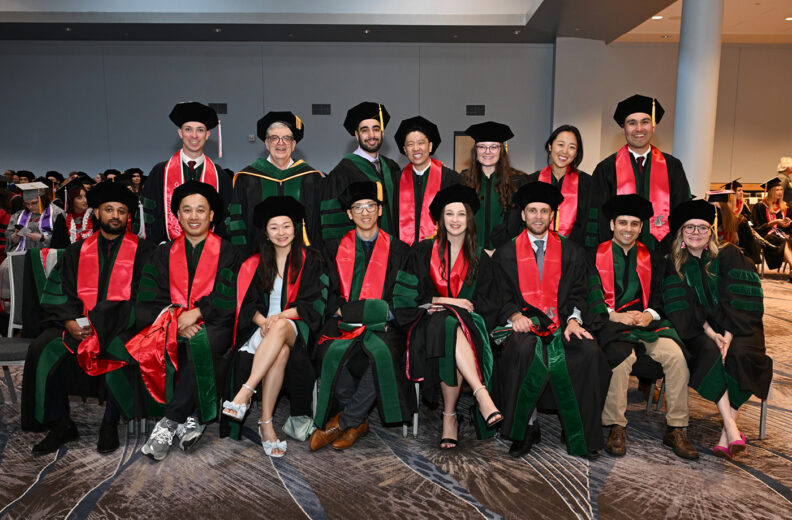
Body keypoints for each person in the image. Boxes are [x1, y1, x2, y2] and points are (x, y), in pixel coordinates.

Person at [20, 181, 155, 454]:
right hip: (78, 324)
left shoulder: (144, 252)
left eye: (121, 211)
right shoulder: (77, 251)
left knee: (119, 347)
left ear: (129, 216)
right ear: (97, 214)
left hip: (121, 325)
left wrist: (103, 323)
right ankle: (60, 423)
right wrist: (70, 320)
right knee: (42, 348)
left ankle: (109, 422)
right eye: (109, 210)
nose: (115, 216)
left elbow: (147, 297)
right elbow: (60, 291)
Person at [489, 182, 610, 458]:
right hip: (525, 327)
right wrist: (514, 314)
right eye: (532, 211)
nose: (539, 216)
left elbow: (580, 292)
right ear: (523, 215)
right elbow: (499, 293)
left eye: (544, 211)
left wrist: (575, 320)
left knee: (589, 351)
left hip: (562, 325)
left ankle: (576, 429)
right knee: (521, 350)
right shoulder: (506, 253)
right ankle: (526, 427)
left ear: (552, 215)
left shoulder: (571, 251)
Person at [132, 181, 241, 461]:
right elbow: (148, 297)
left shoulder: (228, 252)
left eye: (201, 210)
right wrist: (179, 317)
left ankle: (170, 421)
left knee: (200, 343)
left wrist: (199, 313)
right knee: (171, 344)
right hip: (171, 321)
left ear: (212, 215)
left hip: (216, 322)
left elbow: (229, 297)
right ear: (177, 216)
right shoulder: (162, 253)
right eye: (187, 210)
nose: (194, 216)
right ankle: (193, 415)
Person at [310, 181, 416, 451]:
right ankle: (357, 421)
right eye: (358, 208)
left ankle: (345, 421)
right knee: (328, 351)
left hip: (385, 323)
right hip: (342, 320)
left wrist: (370, 313)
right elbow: (326, 292)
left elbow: (403, 297)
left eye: (371, 206)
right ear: (349, 214)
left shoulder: (400, 250)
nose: (365, 212)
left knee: (382, 355)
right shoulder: (333, 248)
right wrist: (342, 310)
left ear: (380, 210)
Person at [662, 199, 772, 458]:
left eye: (702, 227)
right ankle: (732, 427)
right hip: (699, 329)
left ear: (710, 232)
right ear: (680, 233)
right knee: (708, 353)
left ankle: (727, 433)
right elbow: (679, 306)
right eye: (689, 228)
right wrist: (712, 333)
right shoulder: (674, 265)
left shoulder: (729, 254)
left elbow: (744, 296)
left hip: (741, 325)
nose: (696, 233)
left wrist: (730, 334)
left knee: (742, 354)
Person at [221, 196, 326, 457]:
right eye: (274, 227)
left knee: (281, 328)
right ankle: (266, 424)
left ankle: (244, 394)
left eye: (287, 225)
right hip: (265, 330)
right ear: (266, 233)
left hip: (298, 329)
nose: (282, 232)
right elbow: (246, 306)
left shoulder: (312, 260)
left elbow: (317, 301)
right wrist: (263, 322)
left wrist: (280, 317)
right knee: (279, 351)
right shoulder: (254, 264)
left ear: (296, 228)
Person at [594, 194, 697, 459]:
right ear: (612, 225)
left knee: (675, 357)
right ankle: (616, 425)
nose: (628, 229)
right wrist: (613, 315)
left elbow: (660, 296)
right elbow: (587, 293)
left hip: (645, 325)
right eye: (623, 223)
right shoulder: (593, 255)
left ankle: (676, 427)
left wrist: (650, 314)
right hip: (612, 325)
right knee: (621, 358)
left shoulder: (652, 257)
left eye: (634, 224)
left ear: (641, 228)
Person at [402, 184, 501, 448]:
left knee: (451, 325)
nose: (455, 220)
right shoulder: (423, 251)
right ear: (441, 219)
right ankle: (481, 395)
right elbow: (407, 298)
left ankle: (450, 417)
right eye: (449, 214)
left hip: (471, 329)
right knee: (446, 323)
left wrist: (455, 309)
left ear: (469, 218)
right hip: (426, 327)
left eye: (461, 214)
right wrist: (446, 300)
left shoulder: (482, 258)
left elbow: (487, 304)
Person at [587, 94, 691, 251]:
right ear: (623, 128)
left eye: (645, 122)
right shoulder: (606, 169)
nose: (639, 129)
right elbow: (598, 218)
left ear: (653, 125)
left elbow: (682, 210)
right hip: (618, 256)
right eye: (632, 123)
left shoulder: (672, 166)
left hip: (663, 253)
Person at [230, 111, 324, 252]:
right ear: (267, 143)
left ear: (293, 144)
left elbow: (319, 224)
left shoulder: (311, 178)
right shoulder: (247, 179)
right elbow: (237, 223)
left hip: (303, 260)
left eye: (286, 138)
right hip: (258, 258)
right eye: (275, 138)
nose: (281, 143)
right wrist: (242, 258)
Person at [141, 101, 231, 244]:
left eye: (200, 130)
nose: (194, 135)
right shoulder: (160, 172)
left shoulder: (220, 176)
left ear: (207, 135)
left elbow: (226, 219)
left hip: (211, 254)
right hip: (167, 253)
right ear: (180, 133)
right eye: (188, 129)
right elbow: (149, 216)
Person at [320, 102, 401, 241]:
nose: (371, 135)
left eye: (376, 129)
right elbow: (334, 222)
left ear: (382, 133)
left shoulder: (392, 167)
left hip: (394, 249)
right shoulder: (343, 171)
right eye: (365, 130)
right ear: (357, 135)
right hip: (362, 253)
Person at [391, 116, 460, 246]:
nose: (416, 148)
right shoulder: (395, 180)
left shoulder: (450, 178)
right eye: (410, 144)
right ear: (405, 150)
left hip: (439, 251)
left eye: (421, 142)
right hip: (404, 255)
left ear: (430, 146)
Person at [460, 121, 527, 252]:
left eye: (494, 147)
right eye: (482, 147)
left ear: (502, 150)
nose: (487, 152)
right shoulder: (463, 181)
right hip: (472, 254)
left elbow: (523, 223)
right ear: (476, 151)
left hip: (507, 254)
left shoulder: (518, 182)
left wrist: (504, 249)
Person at [525, 125, 591, 246]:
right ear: (550, 146)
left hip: (574, 254)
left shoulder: (588, 184)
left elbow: (588, 226)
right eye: (560, 144)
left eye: (572, 147)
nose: (564, 151)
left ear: (576, 153)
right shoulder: (531, 181)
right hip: (537, 250)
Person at [751, 177, 792, 278]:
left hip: (782, 234)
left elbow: (787, 227)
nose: (780, 192)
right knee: (781, 240)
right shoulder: (760, 206)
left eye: (781, 189)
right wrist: (774, 222)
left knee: (787, 239)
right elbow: (757, 227)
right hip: (766, 235)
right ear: (771, 191)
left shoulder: (785, 206)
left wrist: (788, 224)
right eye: (777, 190)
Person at [5, 182, 62, 251]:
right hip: (22, 254)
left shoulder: (57, 213)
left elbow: (63, 238)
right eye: (27, 204)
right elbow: (9, 237)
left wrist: (43, 238)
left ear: (42, 199)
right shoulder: (18, 215)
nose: (30, 207)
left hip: (48, 255)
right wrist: (14, 237)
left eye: (34, 203)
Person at [707, 190, 761, 265]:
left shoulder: (739, 222)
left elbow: (749, 249)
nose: (714, 211)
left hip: (734, 259)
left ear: (724, 207)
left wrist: (739, 253)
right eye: (710, 207)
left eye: (716, 208)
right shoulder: (706, 224)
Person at [50, 177, 95, 248]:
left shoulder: (94, 215)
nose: (85, 200)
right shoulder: (62, 217)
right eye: (79, 198)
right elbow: (56, 245)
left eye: (85, 196)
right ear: (71, 201)